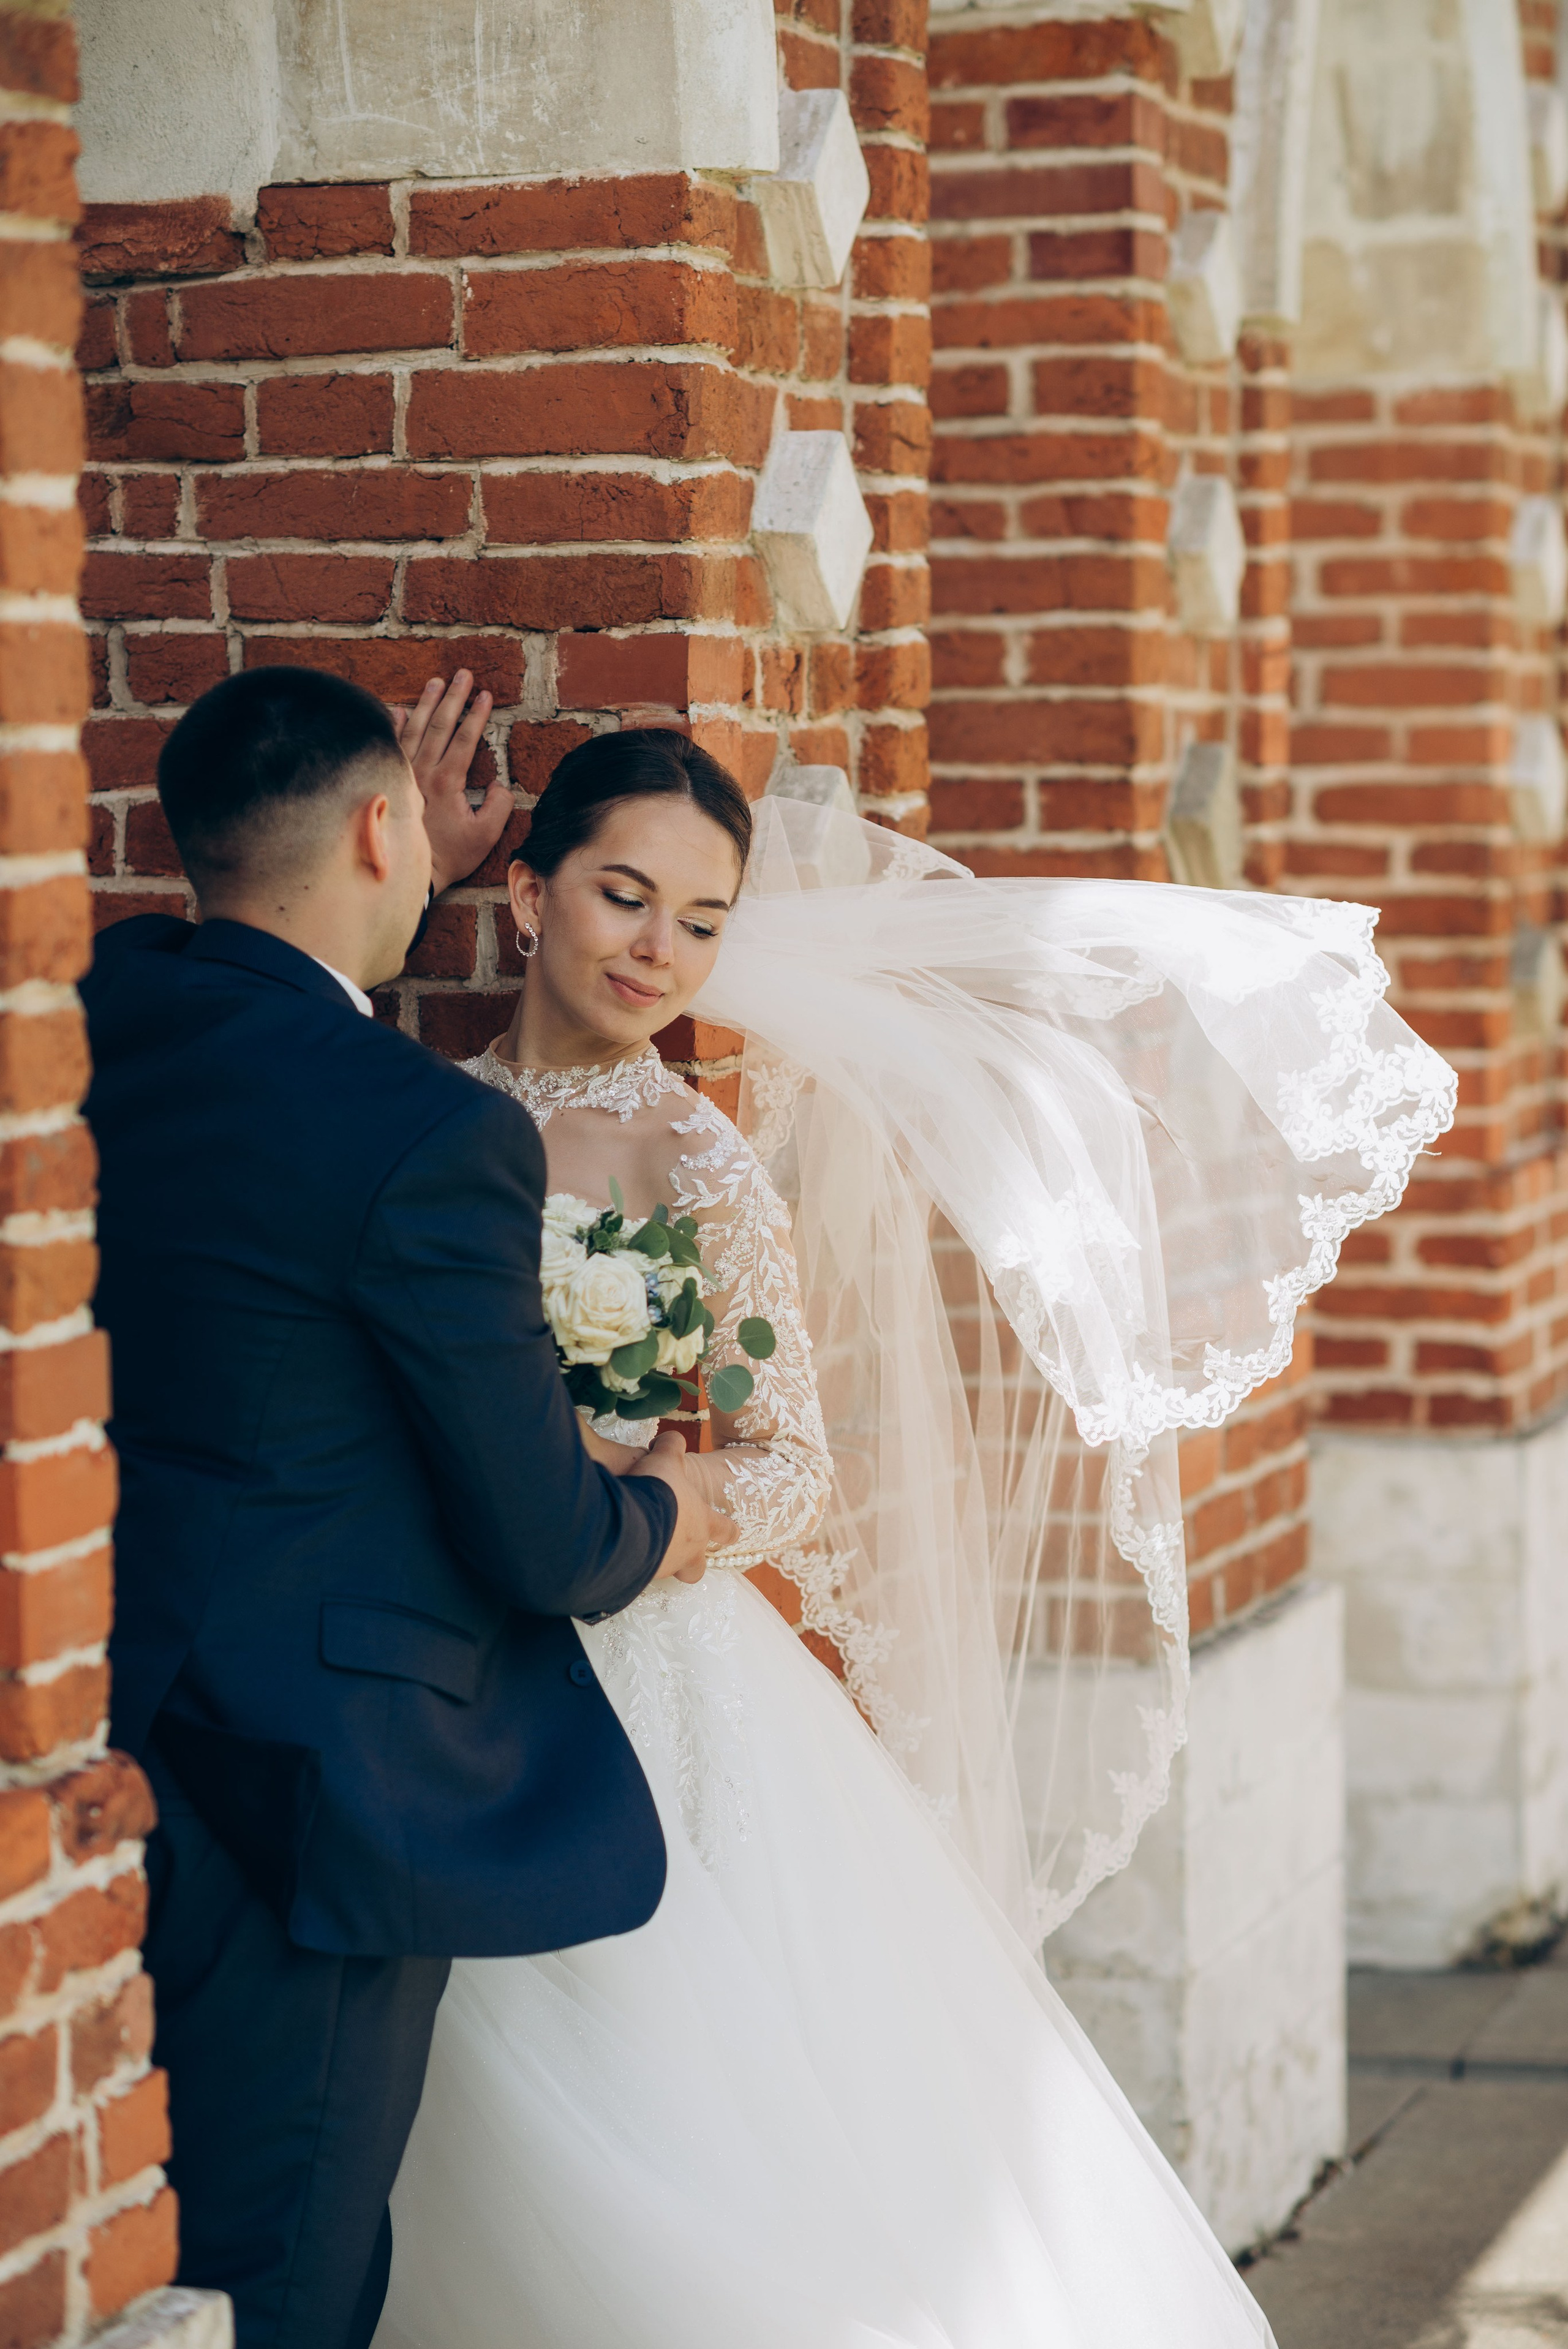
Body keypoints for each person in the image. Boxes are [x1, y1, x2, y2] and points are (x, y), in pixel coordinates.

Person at [372, 728, 1456, 2348]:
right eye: (623, 895)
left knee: (682, 2088)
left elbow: (793, 1470)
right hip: (455, 1658)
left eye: (702, 919)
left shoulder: (694, 1161)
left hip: (648, 1666)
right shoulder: (413, 1114)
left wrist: (638, 1496)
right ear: (528, 898)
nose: (658, 947)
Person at [80, 670, 734, 2349]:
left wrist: (390, 886)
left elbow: (279, 1072)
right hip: (326, 1779)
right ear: (390, 829)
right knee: (290, 2261)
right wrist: (670, 1505)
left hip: (112, 1709)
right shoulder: (433, 1134)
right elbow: (552, 1545)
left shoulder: (102, 1011)